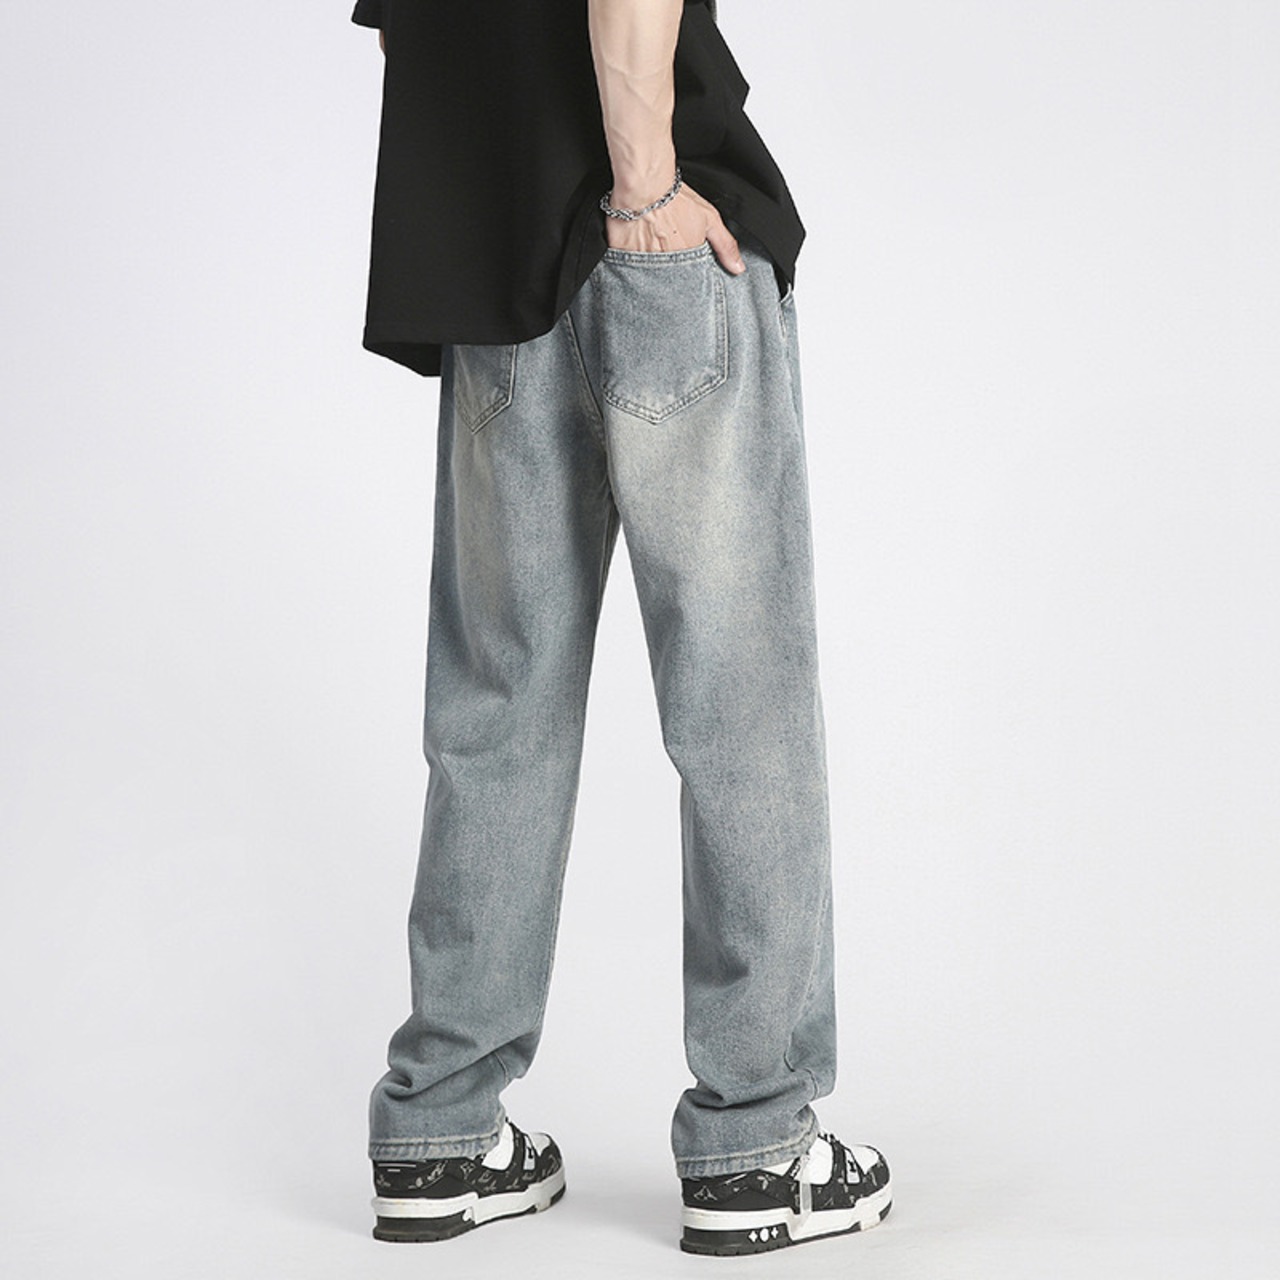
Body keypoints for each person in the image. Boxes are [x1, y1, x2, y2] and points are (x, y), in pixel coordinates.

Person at [349, 0, 891, 1257]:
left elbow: (406, 36)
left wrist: (506, 198)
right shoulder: (646, 204)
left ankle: (441, 1126)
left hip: (491, 266)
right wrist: (643, 186)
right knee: (739, 702)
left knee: (496, 705)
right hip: (651, 244)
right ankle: (756, 1143)